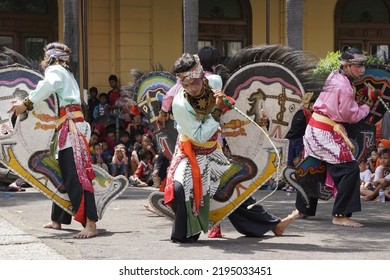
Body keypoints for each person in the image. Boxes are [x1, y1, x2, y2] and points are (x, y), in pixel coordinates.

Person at [164, 53, 298, 243]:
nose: (192, 88)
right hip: (190, 150)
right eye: (186, 85)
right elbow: (200, 136)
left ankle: (271, 224)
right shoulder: (180, 104)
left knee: (232, 184)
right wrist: (218, 111)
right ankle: (184, 233)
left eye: (195, 82)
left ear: (203, 76)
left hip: (212, 150)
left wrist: (224, 103)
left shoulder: (215, 83)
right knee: (180, 188)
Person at [8, 42, 98, 238]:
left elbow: (48, 86)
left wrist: (26, 102)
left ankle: (90, 224)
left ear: (50, 57)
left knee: (75, 174)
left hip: (72, 127)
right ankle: (58, 220)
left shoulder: (55, 70)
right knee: (62, 172)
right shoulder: (65, 72)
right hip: (69, 125)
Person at [295, 47, 372, 227]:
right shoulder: (344, 87)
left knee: (313, 165)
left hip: (317, 127)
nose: (362, 70)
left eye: (364, 66)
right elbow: (350, 116)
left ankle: (303, 209)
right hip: (323, 132)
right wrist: (365, 107)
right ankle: (340, 215)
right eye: (358, 66)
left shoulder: (335, 75)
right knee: (350, 168)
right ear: (346, 66)